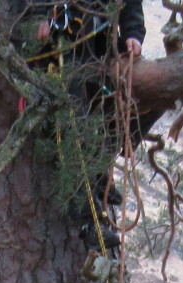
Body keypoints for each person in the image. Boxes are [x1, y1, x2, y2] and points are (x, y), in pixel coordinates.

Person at [12, 0, 147, 250]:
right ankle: (89, 221)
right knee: (74, 123)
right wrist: (36, 22)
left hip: (101, 46)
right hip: (59, 47)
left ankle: (102, 165)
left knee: (144, 99)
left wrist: (133, 34)